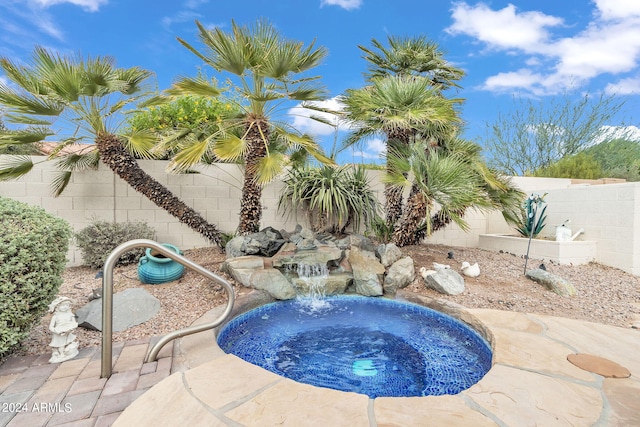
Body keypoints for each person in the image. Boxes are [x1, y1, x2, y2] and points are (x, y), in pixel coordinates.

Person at [48, 296, 79, 363]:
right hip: (59, 333)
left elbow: (74, 323)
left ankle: (68, 351)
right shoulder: (55, 316)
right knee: (61, 345)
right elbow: (51, 327)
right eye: (63, 305)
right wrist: (56, 331)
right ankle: (61, 354)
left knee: (68, 342)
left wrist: (72, 328)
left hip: (68, 331)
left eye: (67, 305)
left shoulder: (70, 314)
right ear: (57, 307)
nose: (65, 307)